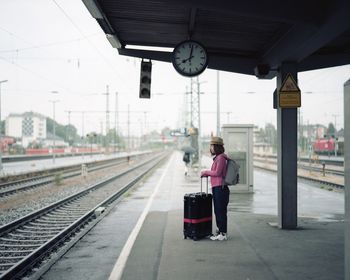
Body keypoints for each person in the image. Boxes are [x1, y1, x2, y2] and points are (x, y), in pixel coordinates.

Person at [201, 136, 229, 241]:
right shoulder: (218, 157)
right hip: (217, 188)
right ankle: (220, 231)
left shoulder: (221, 158)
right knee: (217, 210)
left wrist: (206, 172)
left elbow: (217, 173)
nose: (210, 148)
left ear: (216, 146)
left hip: (220, 188)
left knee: (221, 211)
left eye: (212, 146)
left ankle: (223, 233)